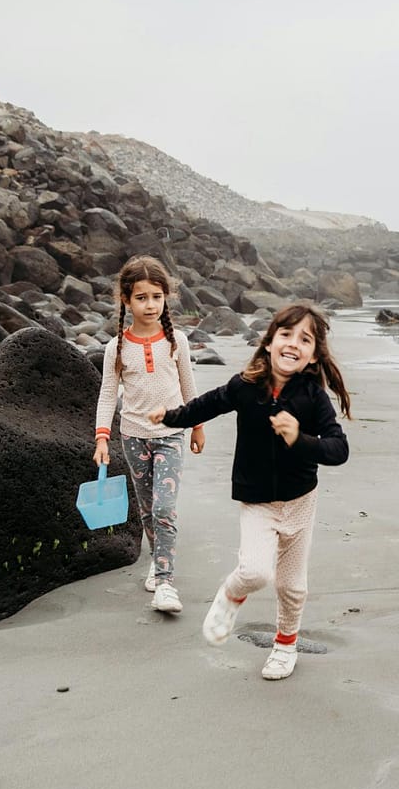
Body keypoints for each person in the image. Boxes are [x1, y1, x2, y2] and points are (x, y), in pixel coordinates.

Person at [150, 303, 351, 681]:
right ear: (270, 341)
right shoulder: (246, 387)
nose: (294, 344)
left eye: (305, 340)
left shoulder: (312, 397)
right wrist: (171, 416)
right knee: (255, 572)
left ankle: (285, 646)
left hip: (301, 502)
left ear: (313, 356)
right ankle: (229, 594)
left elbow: (339, 449)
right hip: (257, 501)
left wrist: (300, 439)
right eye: (287, 335)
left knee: (293, 586)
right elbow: (207, 405)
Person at [93, 254, 204, 615]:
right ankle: (158, 560)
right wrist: (102, 437)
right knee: (146, 511)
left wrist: (197, 425)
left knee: (164, 507)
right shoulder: (116, 348)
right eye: (141, 298)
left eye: (156, 297)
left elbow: (188, 386)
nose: (150, 305)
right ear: (126, 300)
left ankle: (166, 580)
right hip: (133, 436)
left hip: (171, 434)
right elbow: (108, 393)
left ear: (165, 298)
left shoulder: (177, 342)